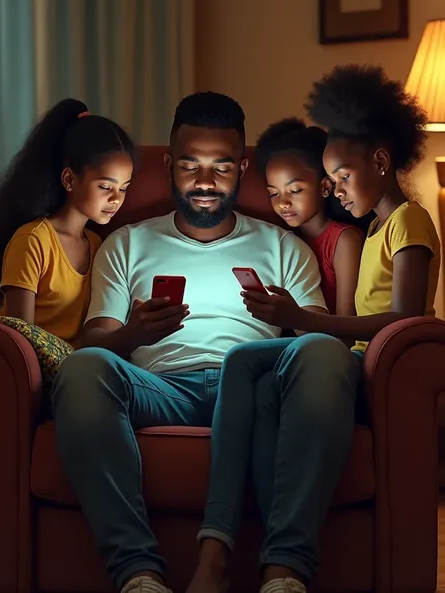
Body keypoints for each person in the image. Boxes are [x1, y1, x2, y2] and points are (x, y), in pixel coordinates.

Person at [51, 91, 343, 593]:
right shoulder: (127, 243)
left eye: (221, 167)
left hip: (258, 391)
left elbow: (317, 333)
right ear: (168, 165)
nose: (205, 182)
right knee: (82, 370)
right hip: (164, 390)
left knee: (325, 352)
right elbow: (94, 342)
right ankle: (138, 574)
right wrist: (133, 334)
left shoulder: (282, 246)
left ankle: (285, 572)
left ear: (242, 167)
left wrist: (290, 318)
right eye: (190, 166)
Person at [190, 65, 440, 593]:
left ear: (380, 160)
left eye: (342, 178)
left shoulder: (410, 222)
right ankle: (220, 538)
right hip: (340, 353)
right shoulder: (374, 231)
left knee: (303, 355)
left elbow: (407, 320)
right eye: (331, 181)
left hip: (366, 364)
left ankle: (284, 563)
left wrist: (303, 320)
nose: (337, 191)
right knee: (242, 362)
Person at [0, 98, 134, 347]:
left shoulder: (98, 244)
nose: (116, 199)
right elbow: (21, 338)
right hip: (32, 365)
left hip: (80, 367)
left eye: (123, 189)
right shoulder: (32, 241)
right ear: (69, 179)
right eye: (105, 186)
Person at [255, 117, 363, 314]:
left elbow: (348, 325)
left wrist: (297, 318)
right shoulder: (284, 240)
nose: (283, 203)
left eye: (295, 190)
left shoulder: (344, 241)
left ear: (325, 187)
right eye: (274, 193)